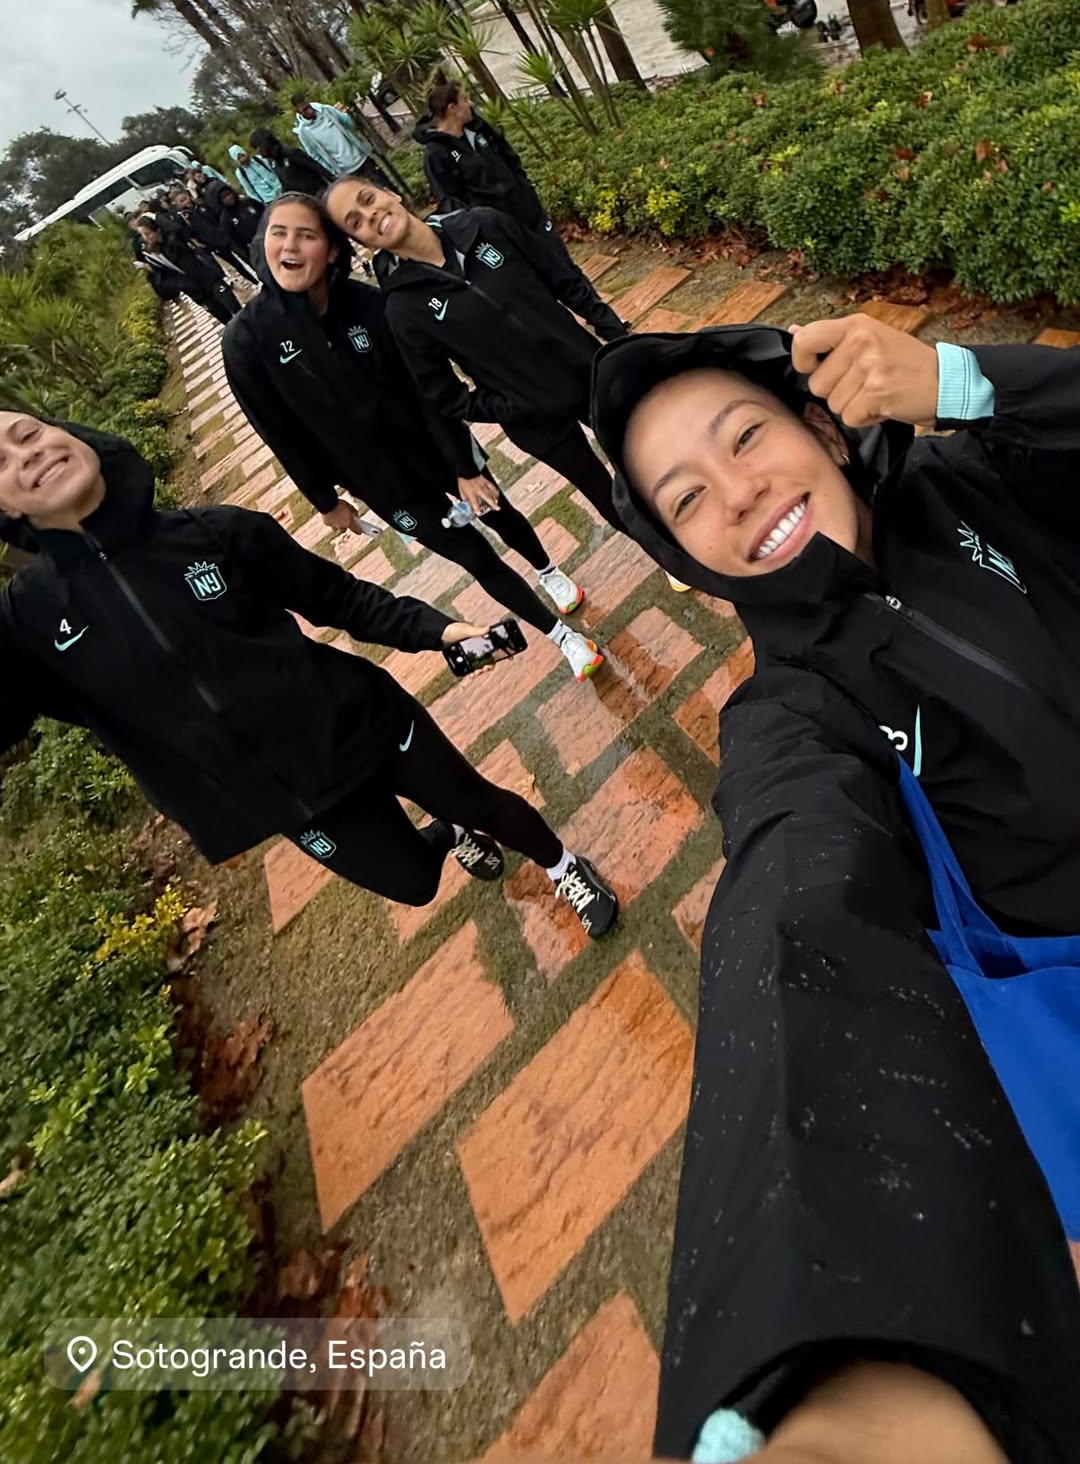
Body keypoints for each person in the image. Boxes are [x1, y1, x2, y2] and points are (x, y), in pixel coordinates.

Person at [589, 315, 1080, 1463]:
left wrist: (967, 380)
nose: (740, 493)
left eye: (745, 435)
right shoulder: (793, 718)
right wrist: (822, 1371)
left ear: (820, 422)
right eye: (689, 498)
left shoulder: (967, 478)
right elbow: (793, 926)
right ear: (684, 557)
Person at [0, 415, 618, 940]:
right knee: (412, 882)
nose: (26, 454)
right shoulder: (26, 621)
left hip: (364, 722)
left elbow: (342, 600)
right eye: (1, 461)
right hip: (290, 797)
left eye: (28, 433)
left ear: (75, 436)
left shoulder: (215, 533)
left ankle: (562, 865)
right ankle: (449, 834)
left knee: (480, 801)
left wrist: (441, 631)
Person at [221, 194, 606, 684]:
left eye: (306, 235)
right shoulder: (246, 341)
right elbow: (277, 430)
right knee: (473, 556)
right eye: (279, 233)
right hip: (378, 481)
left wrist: (464, 466)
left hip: (434, 446)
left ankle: (547, 569)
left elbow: (426, 389)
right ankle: (562, 637)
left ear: (332, 250)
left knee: (499, 512)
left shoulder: (370, 305)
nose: (289, 246)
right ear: (262, 243)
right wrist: (325, 501)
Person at [325, 179, 629, 534]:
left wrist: (616, 337)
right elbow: (443, 393)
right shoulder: (403, 309)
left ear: (389, 193)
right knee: (608, 496)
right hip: (536, 421)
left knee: (645, 460)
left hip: (590, 373)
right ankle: (670, 554)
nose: (371, 215)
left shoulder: (485, 224)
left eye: (368, 199)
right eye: (356, 222)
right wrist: (510, 406)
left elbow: (564, 279)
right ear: (362, 243)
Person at [414, 69, 551, 231]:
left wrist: (525, 190)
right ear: (453, 108)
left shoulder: (479, 128)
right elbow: (451, 202)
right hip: (498, 230)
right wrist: (484, 226)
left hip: (529, 213)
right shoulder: (436, 154)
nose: (470, 104)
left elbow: (509, 157)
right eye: (465, 99)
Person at [132, 215, 240, 325]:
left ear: (156, 230)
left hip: (209, 278)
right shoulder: (155, 256)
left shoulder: (174, 237)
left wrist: (157, 217)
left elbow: (177, 227)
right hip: (196, 292)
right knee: (226, 320)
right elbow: (164, 279)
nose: (146, 238)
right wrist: (181, 284)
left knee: (234, 306)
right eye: (143, 235)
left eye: (147, 233)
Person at [291, 91, 399, 193]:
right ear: (298, 111)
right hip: (346, 170)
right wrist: (332, 170)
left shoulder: (326, 111)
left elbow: (348, 123)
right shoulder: (303, 132)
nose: (309, 111)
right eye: (304, 110)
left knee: (386, 187)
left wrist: (347, 115)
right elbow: (315, 156)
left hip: (361, 157)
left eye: (308, 107)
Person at [169, 183, 260, 285]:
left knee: (245, 255)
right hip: (213, 244)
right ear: (177, 204)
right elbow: (190, 235)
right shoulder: (183, 218)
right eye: (181, 201)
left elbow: (216, 214)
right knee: (236, 264)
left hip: (225, 235)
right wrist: (205, 246)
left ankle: (259, 274)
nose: (185, 202)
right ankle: (254, 282)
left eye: (185, 198)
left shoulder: (201, 204)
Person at [249, 127, 329, 197]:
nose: (257, 151)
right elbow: (285, 185)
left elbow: (317, 168)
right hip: (305, 201)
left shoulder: (291, 153)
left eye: (257, 147)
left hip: (320, 192)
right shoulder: (273, 164)